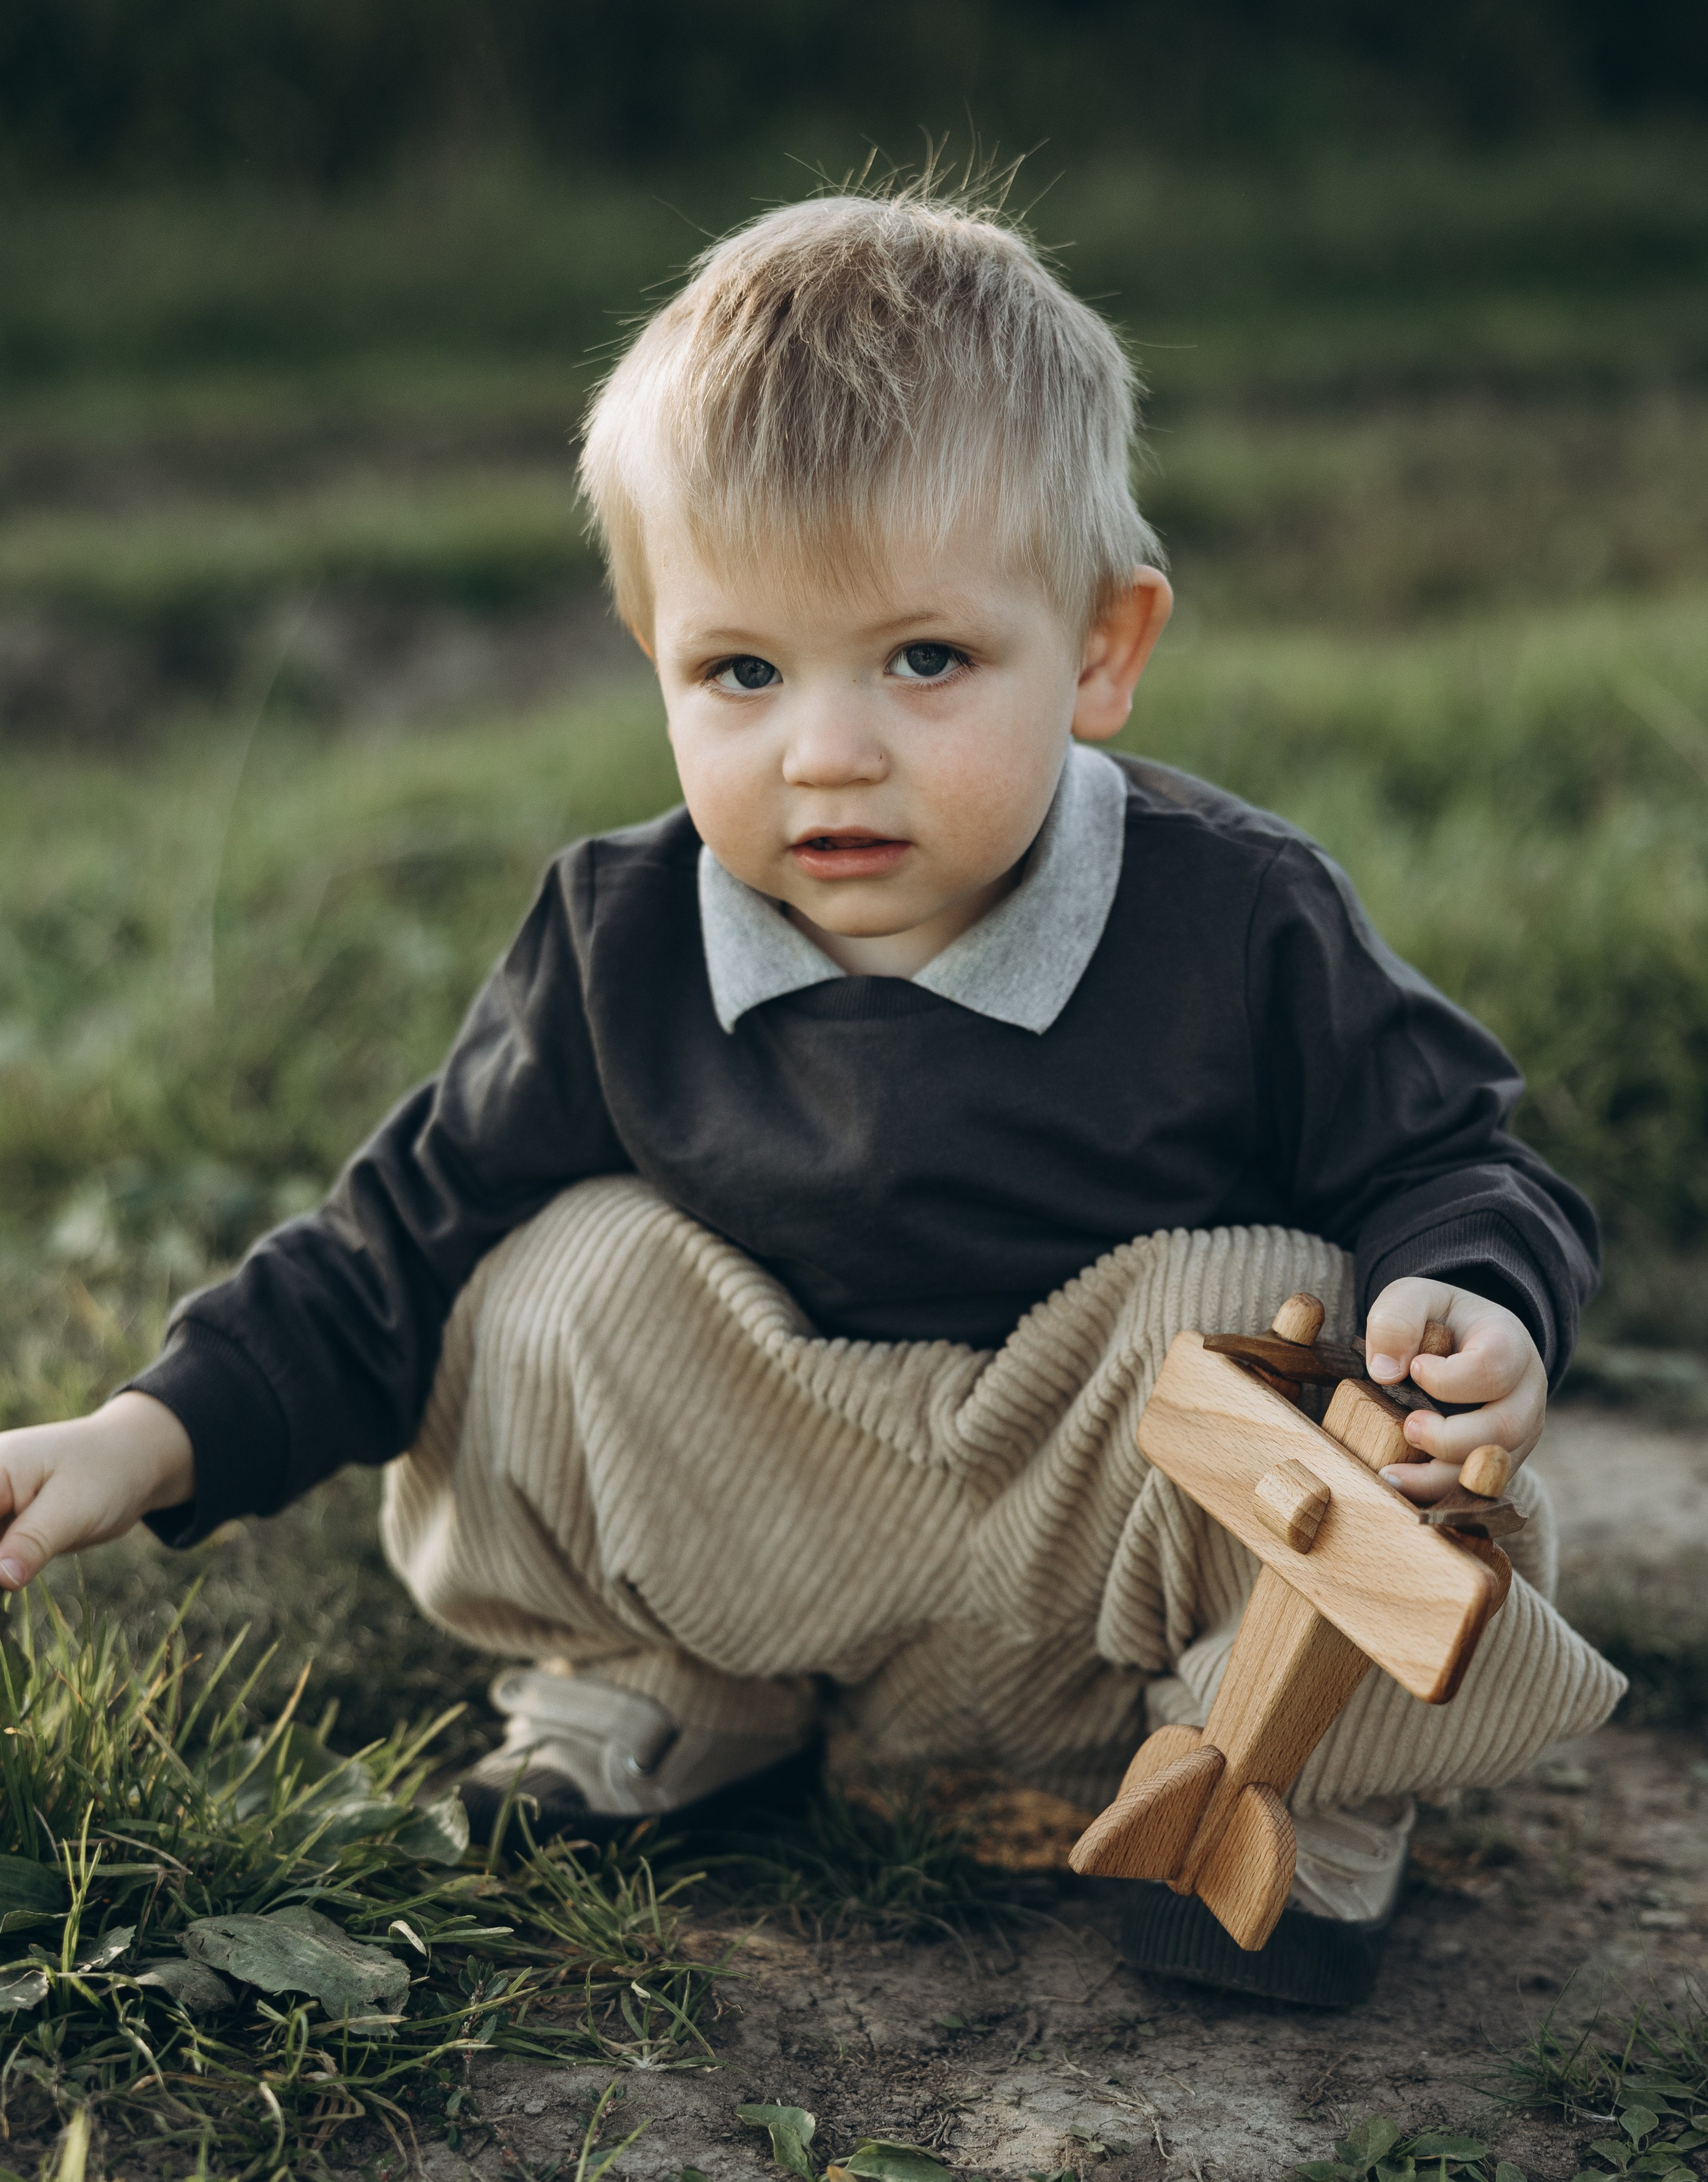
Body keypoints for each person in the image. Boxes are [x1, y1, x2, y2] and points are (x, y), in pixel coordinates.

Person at [0, 186, 1622, 2005]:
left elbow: (1449, 1157)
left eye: (925, 659)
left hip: (1102, 1576)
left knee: (1265, 1320)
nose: (826, 748)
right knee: (547, 1277)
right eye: (742, 671)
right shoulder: (617, 938)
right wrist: (143, 1435)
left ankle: (1271, 1778)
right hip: (764, 1528)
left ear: (1099, 648)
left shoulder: (1232, 913)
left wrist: (1466, 1300)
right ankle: (682, 1699)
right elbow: (388, 1248)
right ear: (655, 658)